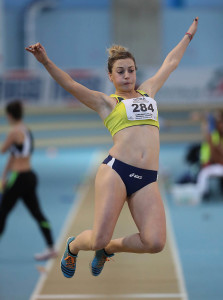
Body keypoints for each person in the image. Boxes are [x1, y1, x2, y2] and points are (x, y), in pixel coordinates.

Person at [25, 17, 199, 277]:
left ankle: (107, 250)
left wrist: (188, 35)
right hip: (117, 172)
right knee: (96, 238)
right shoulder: (107, 103)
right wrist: (46, 62)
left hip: (147, 178)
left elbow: (170, 63)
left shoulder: (148, 92)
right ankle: (73, 246)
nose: (127, 75)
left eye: (131, 70)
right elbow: (71, 85)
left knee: (155, 242)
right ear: (111, 75)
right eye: (121, 71)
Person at [0, 100, 57, 260]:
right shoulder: (26, 130)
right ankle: (51, 247)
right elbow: (13, 155)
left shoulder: (13, 132)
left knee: (3, 212)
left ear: (9, 115)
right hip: (29, 176)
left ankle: (51, 247)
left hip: (19, 179)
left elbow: (3, 150)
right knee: (37, 213)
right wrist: (4, 176)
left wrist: (7, 177)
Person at [197, 110, 223, 200]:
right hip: (216, 165)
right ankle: (204, 194)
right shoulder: (214, 136)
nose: (221, 125)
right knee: (203, 173)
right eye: (219, 123)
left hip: (219, 164)